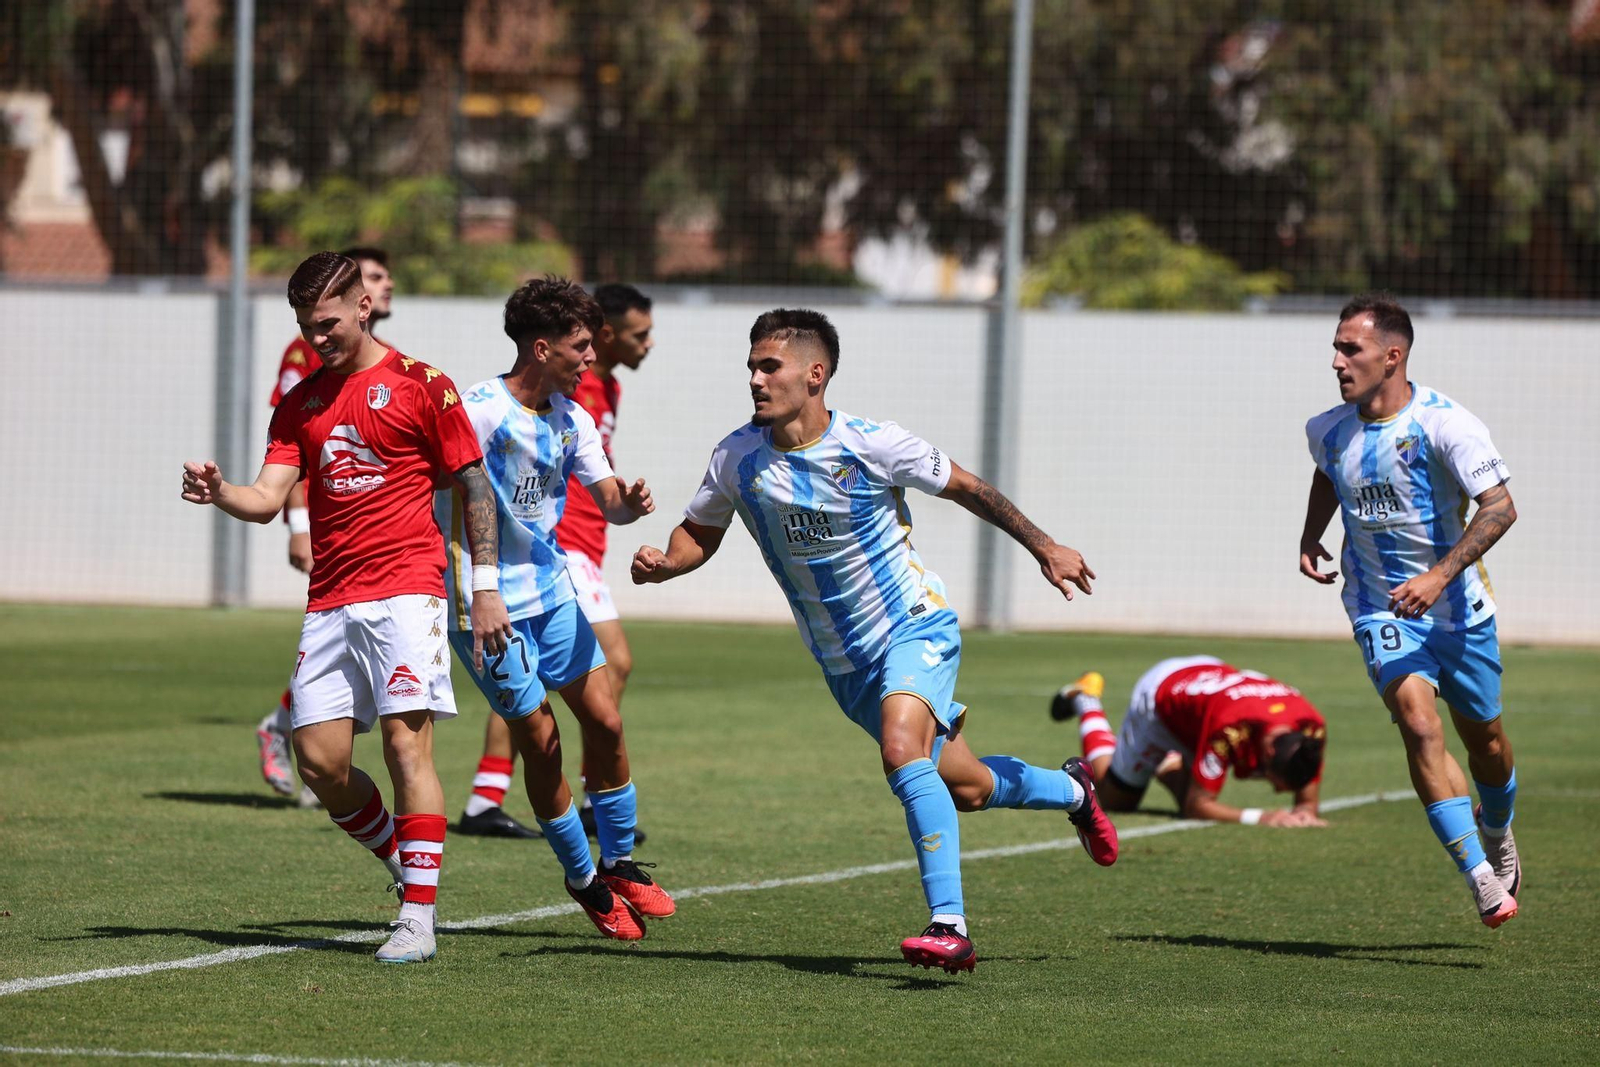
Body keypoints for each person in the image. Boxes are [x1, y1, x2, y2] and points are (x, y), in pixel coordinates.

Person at [631, 308, 1118, 974]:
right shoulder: (736, 456)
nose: (755, 377)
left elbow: (970, 488)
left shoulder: (870, 442)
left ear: (815, 373)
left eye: (769, 365)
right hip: (845, 664)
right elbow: (700, 531)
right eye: (751, 364)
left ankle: (949, 925)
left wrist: (1044, 546)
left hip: (915, 623)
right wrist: (666, 562)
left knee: (899, 748)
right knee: (969, 786)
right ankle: (1073, 791)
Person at [184, 251, 511, 964]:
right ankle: (405, 862)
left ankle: (418, 921)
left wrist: (484, 585)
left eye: (326, 322)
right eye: (306, 326)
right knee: (321, 763)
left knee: (404, 745)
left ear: (364, 306)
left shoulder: (424, 386)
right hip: (331, 597)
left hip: (408, 588)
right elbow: (268, 498)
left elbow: (475, 488)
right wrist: (222, 492)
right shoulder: (299, 402)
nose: (316, 336)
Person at [438, 277, 674, 941]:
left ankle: (621, 860)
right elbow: (436, 490)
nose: (590, 355)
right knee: (541, 741)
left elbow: (609, 501)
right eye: (579, 346)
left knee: (605, 720)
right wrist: (477, 587)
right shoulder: (479, 411)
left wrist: (630, 500)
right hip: (485, 602)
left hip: (551, 589)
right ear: (541, 349)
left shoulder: (573, 416)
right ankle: (584, 880)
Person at [1299, 293, 1521, 928]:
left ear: (1391, 356)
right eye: (1337, 348)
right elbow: (1325, 474)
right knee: (1420, 726)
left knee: (1488, 743)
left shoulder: (1447, 423)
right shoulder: (1326, 428)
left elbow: (1500, 507)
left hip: (1459, 609)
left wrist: (1439, 573)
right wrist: (1311, 536)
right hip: (1377, 605)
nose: (1337, 360)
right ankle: (1480, 876)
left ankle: (1499, 830)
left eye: (1351, 349)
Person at [254, 248, 393, 804]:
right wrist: (297, 522)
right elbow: (304, 439)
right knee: (340, 635)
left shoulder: (387, 365)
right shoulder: (309, 351)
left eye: (386, 277)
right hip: (323, 517)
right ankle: (288, 729)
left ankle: (320, 751)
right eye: (377, 276)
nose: (387, 286)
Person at [1050, 660, 1327, 825]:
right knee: (1113, 800)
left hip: (1206, 678)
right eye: (1272, 778)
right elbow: (1199, 806)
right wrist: (1261, 817)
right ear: (1268, 751)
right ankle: (1086, 699)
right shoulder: (1229, 728)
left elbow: (1307, 796)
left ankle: (1166, 761)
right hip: (1161, 698)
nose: (1278, 791)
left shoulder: (1311, 727)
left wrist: (1304, 811)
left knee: (1188, 796)